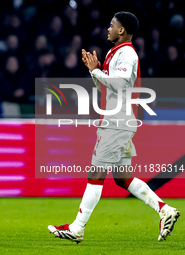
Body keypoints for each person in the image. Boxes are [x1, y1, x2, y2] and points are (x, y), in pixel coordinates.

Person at [48, 11, 180, 243]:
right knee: (122, 177)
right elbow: (107, 88)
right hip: (118, 119)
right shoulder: (114, 53)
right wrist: (94, 70)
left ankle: (77, 228)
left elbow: (118, 84)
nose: (108, 29)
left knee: (95, 174)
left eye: (112, 25)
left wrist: (97, 71)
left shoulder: (127, 53)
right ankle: (164, 210)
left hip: (117, 120)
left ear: (121, 30)